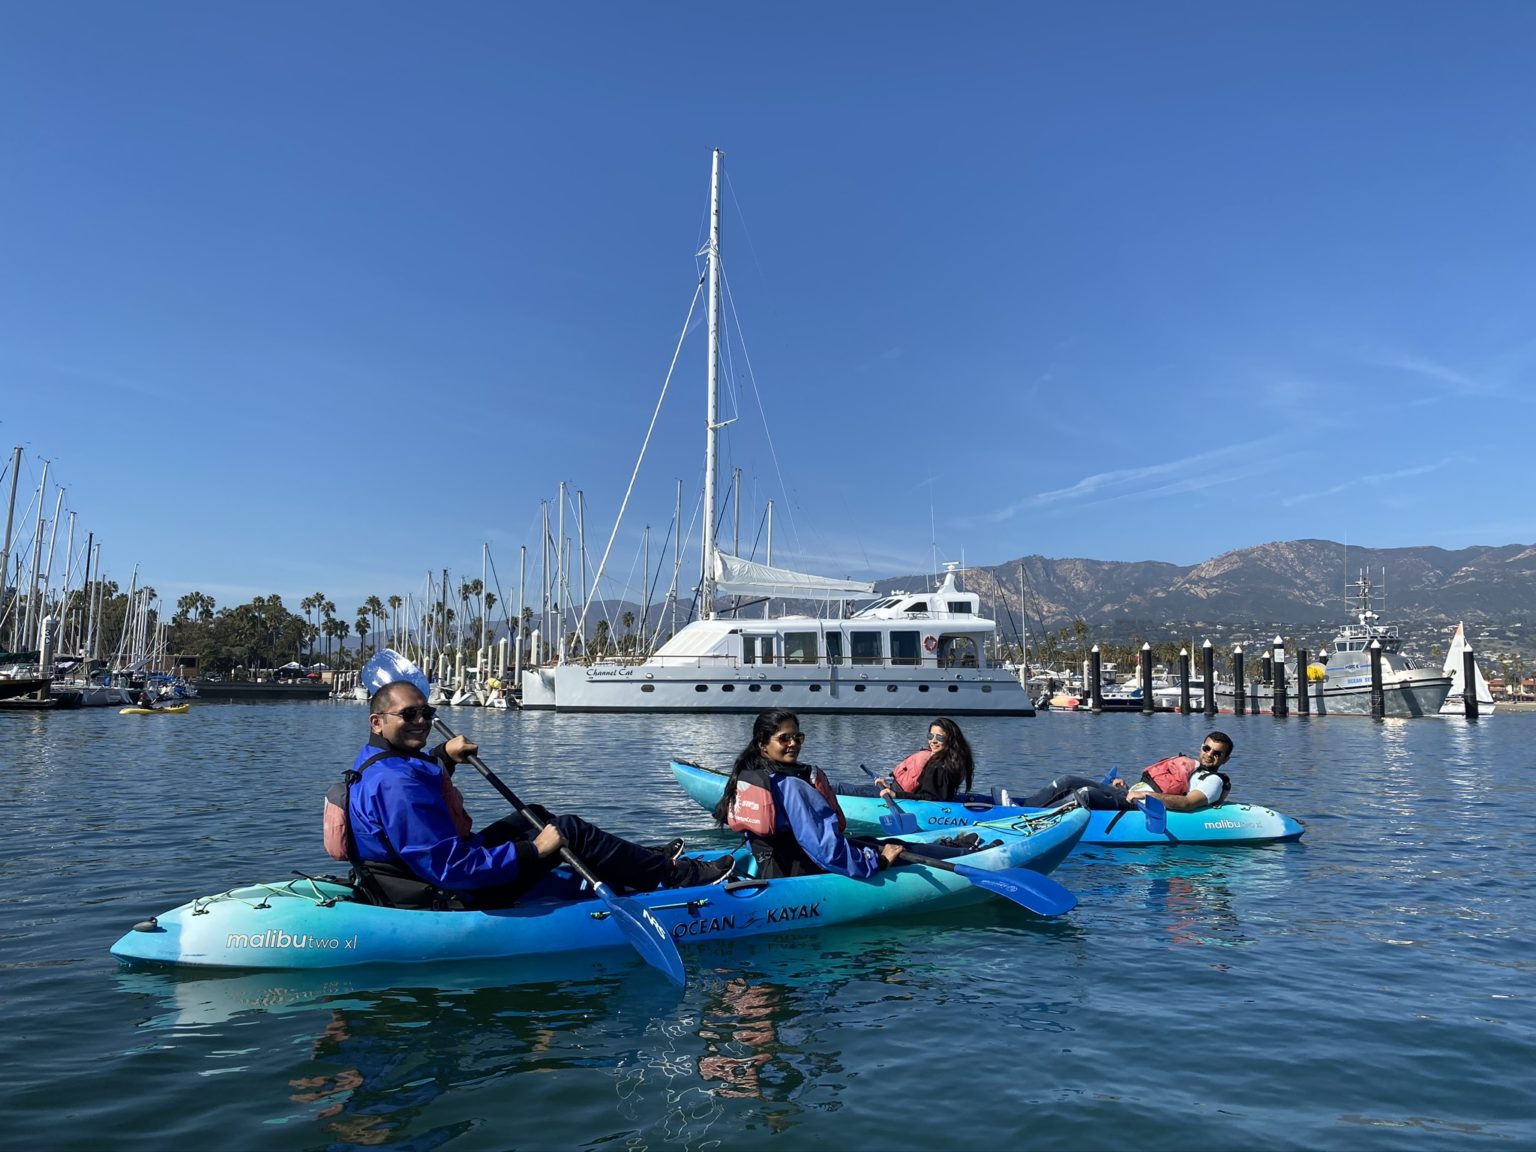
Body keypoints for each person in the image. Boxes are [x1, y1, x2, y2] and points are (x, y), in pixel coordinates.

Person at [341, 680, 731, 909]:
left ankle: (639, 862)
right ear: (377, 721)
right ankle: (677, 875)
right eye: (409, 715)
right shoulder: (397, 783)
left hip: (411, 877)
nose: (422, 722)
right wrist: (535, 851)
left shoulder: (377, 761)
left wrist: (444, 756)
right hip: (450, 892)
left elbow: (412, 788)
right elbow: (450, 868)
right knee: (568, 831)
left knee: (533, 813)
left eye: (426, 713)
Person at [713, 710, 906, 879]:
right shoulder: (792, 786)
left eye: (798, 737)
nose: (793, 744)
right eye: (784, 738)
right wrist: (878, 862)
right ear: (763, 744)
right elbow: (826, 850)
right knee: (898, 850)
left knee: (879, 842)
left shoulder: (752, 777)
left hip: (772, 869)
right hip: (801, 874)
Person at [1012, 731, 1235, 812]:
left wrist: (1145, 796)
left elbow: (1187, 804)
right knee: (1068, 780)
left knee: (1087, 794)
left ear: (1225, 759)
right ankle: (1021, 809)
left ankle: (1034, 820)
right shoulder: (1195, 770)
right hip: (1132, 797)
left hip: (1139, 807)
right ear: (1201, 747)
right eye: (1207, 748)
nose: (1209, 754)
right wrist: (1130, 789)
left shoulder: (1212, 781)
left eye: (1217, 753)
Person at [872, 717, 976, 801]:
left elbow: (929, 798)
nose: (933, 741)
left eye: (939, 738)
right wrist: (890, 789)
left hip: (920, 805)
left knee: (856, 791)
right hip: (906, 795)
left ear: (950, 740)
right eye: (930, 736)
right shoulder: (950, 761)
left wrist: (896, 795)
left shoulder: (939, 766)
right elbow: (926, 793)